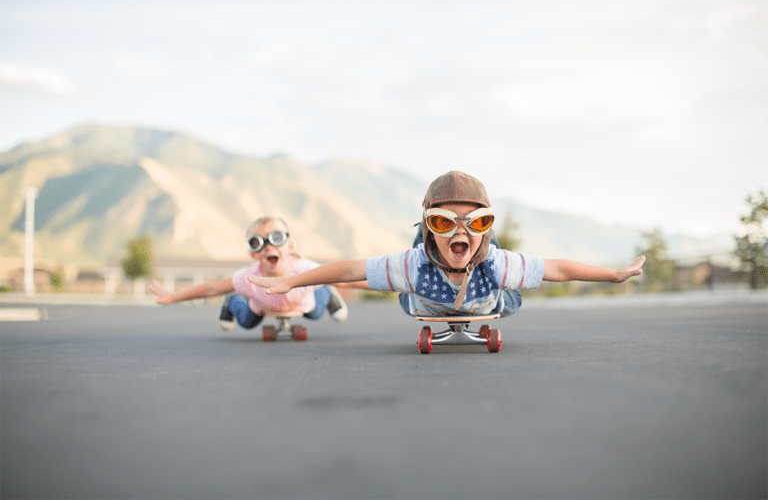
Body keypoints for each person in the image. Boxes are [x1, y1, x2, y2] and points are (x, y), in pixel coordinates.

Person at [247, 171, 646, 318]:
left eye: (477, 223)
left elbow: (557, 269)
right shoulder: (411, 266)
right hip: (422, 297)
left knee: (511, 294)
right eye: (442, 221)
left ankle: (469, 233)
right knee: (407, 284)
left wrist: (613, 275)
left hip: (488, 298)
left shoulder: (498, 264)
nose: (460, 232)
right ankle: (436, 234)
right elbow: (351, 269)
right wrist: (292, 282)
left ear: (487, 226)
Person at [149, 216, 359, 330]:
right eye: (258, 242)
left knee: (315, 313)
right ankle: (231, 303)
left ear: (291, 245)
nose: (268, 246)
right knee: (247, 323)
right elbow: (213, 287)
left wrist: (386, 284)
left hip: (302, 303)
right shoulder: (249, 278)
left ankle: (328, 295)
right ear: (253, 252)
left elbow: (346, 278)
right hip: (261, 307)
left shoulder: (305, 269)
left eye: (276, 238)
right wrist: (173, 296)